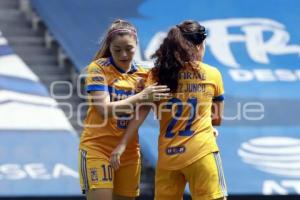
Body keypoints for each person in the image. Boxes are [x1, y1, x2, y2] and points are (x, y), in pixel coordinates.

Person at [110, 20, 227, 200]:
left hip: (168, 158)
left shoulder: (157, 75)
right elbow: (216, 119)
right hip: (201, 153)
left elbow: (140, 114)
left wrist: (123, 144)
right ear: (199, 45)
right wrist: (206, 124)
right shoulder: (212, 74)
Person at [78, 19, 170, 200]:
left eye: (129, 48)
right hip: (97, 148)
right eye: (117, 50)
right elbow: (104, 109)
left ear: (137, 44)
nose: (124, 54)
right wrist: (141, 96)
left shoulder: (146, 72)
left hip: (128, 150)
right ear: (109, 47)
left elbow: (143, 110)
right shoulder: (97, 69)